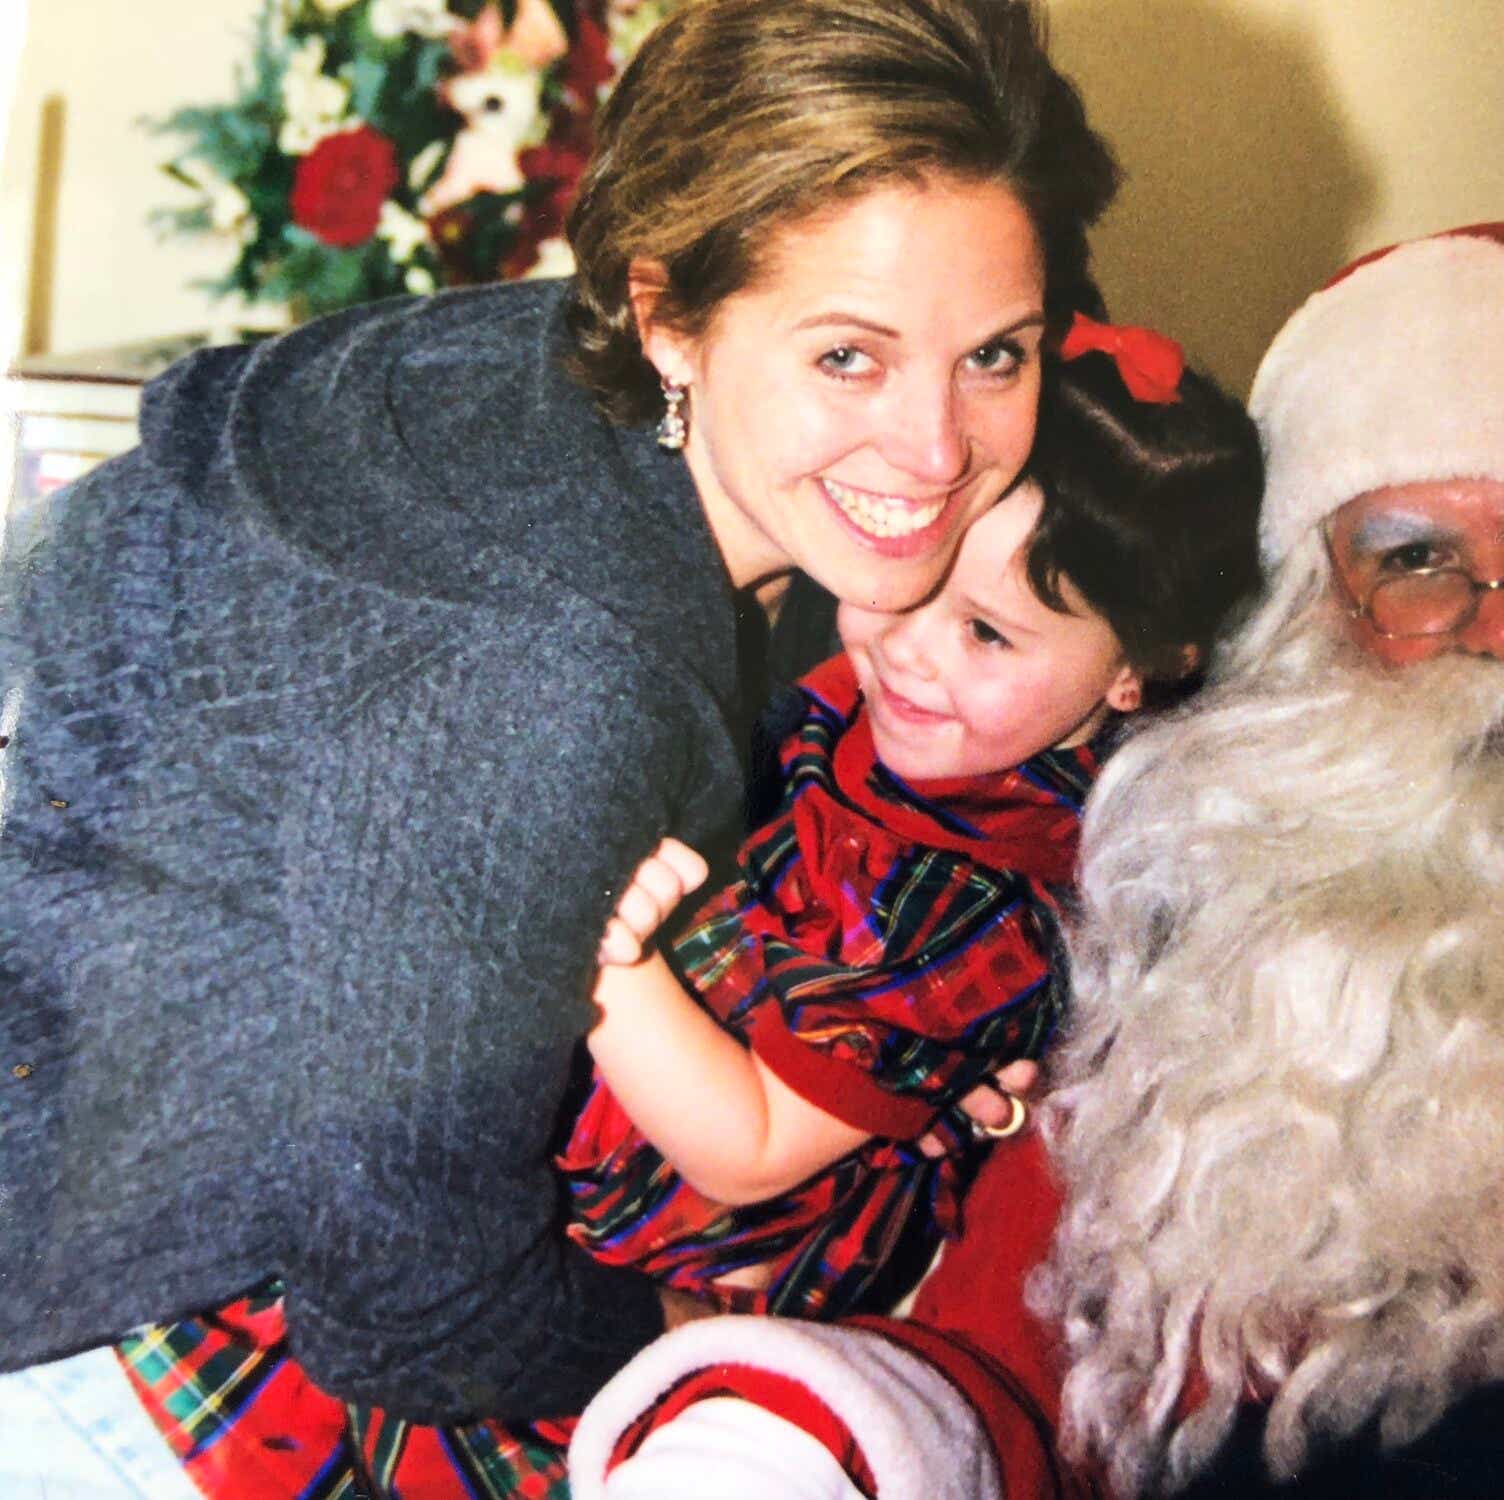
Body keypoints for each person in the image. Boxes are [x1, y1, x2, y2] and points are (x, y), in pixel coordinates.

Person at [562, 224, 1504, 1500]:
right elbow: (999, 1354)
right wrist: (799, 1449)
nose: (1502, 630)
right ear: (1322, 613)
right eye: (1416, 559)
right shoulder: (1198, 927)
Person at [0, 0, 1120, 1480]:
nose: (935, 450)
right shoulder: (560, 679)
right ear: (669, 316)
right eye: (849, 358)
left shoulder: (554, 381)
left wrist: (908, 1031)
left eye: (996, 354)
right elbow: (415, 1309)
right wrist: (720, 1326)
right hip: (102, 1348)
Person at [112, 322, 1265, 1497]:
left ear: (1138, 669)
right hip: (570, 1146)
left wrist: (600, 940)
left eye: (985, 633)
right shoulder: (875, 714)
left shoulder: (987, 906)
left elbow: (747, 1150)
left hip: (664, 1253)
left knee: (389, 1351)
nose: (906, 653)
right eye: (913, 586)